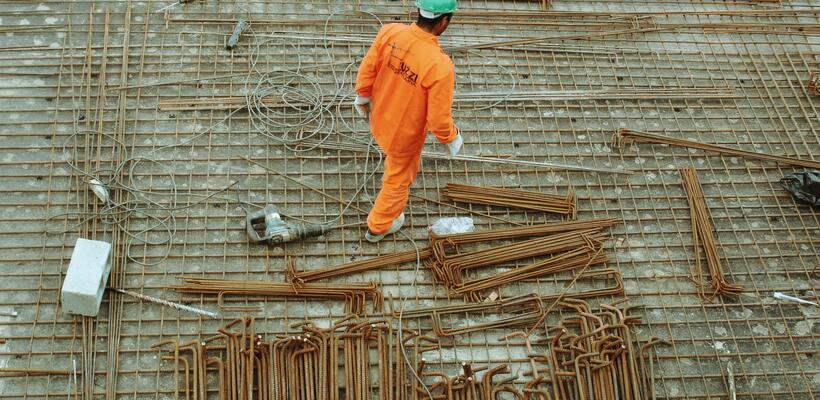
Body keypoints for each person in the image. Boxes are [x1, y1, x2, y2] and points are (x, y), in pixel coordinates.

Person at [353, 0, 462, 243]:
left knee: (392, 162)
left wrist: (362, 96)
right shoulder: (439, 65)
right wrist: (451, 137)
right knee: (398, 178)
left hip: (379, 116)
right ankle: (378, 226)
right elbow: (438, 119)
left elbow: (368, 68)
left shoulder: (391, 32)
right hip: (404, 135)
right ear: (444, 21)